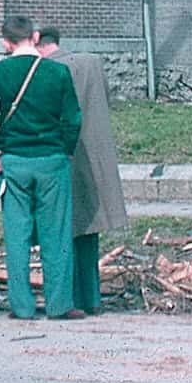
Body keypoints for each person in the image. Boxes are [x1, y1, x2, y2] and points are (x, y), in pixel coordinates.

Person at [0, 15, 82, 321]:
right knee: (56, 233)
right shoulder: (58, 71)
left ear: (5, 42)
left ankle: (21, 306)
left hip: (14, 159)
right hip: (51, 158)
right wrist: (66, 150)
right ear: (35, 37)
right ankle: (59, 303)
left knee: (17, 234)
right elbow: (73, 118)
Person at [37, 27, 128, 315]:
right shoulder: (91, 63)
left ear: (37, 42)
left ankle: (68, 299)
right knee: (88, 229)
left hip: (61, 154)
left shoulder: (45, 70)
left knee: (61, 229)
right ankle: (91, 297)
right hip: (95, 154)